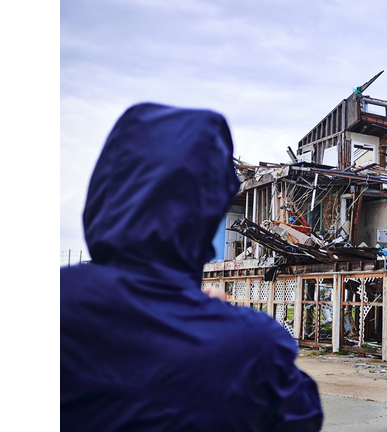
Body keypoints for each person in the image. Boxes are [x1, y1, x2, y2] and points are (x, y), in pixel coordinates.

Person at [60, 103, 323, 431]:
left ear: (104, 190)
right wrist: (217, 320)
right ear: (207, 211)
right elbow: (302, 417)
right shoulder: (255, 350)